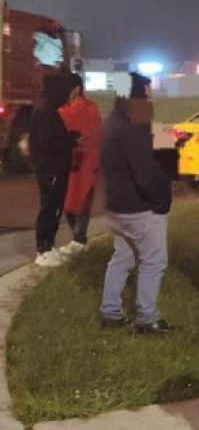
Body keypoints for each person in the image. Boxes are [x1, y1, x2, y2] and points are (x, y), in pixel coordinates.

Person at [98, 73, 173, 334]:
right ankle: (147, 318)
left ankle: (110, 312)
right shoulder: (134, 123)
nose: (151, 96)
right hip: (138, 207)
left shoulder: (113, 119)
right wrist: (162, 200)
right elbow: (145, 172)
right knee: (154, 262)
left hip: (116, 205)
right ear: (138, 94)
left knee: (122, 257)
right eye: (147, 91)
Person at [28, 71, 78, 267]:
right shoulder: (47, 112)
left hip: (51, 167)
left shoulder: (46, 110)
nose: (70, 96)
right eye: (69, 92)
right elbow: (49, 143)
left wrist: (69, 136)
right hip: (51, 169)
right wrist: (72, 140)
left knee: (53, 208)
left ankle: (49, 246)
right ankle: (43, 250)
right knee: (51, 208)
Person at [58, 73, 103, 256]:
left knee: (78, 200)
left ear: (76, 89)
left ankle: (79, 239)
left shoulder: (72, 110)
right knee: (77, 200)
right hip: (84, 162)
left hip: (82, 162)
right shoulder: (90, 107)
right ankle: (79, 239)